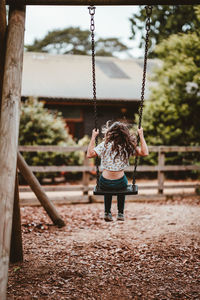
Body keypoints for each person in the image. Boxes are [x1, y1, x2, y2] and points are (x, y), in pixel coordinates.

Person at [87, 121, 149, 222]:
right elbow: (145, 152)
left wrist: (93, 137)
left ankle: (107, 212)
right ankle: (120, 213)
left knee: (107, 189)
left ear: (110, 132)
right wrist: (141, 135)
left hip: (104, 182)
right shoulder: (127, 146)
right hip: (120, 182)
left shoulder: (105, 145)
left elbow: (89, 154)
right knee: (122, 188)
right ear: (125, 134)